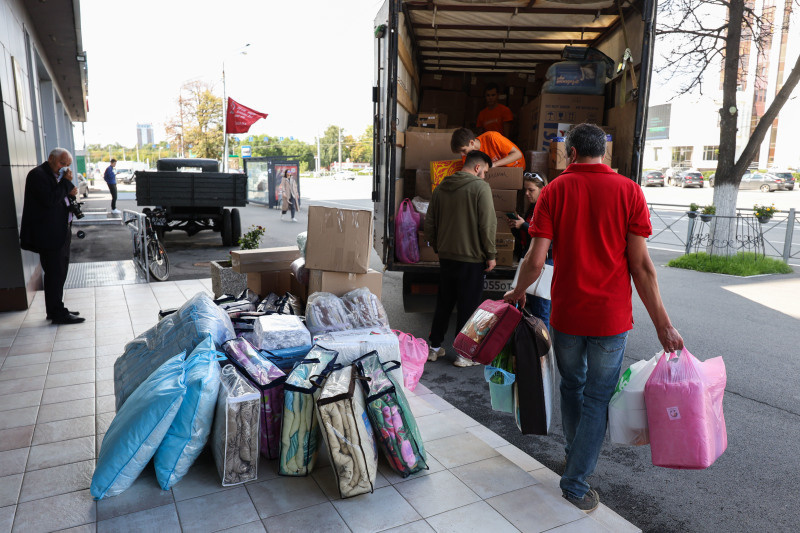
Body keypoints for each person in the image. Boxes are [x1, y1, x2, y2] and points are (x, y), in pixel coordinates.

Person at [503, 123, 683, 513]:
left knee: (571, 387)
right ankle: (576, 480)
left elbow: (536, 261)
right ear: (605, 153)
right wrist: (663, 324)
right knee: (597, 398)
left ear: (570, 153)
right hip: (610, 319)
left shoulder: (554, 191)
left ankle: (574, 453)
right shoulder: (629, 191)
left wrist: (516, 293)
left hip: (566, 314)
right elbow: (642, 268)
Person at [424, 150, 497, 368]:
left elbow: (429, 222)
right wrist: (491, 255)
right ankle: (463, 355)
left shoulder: (441, 187)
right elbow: (487, 225)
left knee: (444, 303)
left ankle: (434, 348)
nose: (484, 176)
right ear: (477, 168)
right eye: (484, 172)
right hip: (472, 258)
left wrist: (439, 247)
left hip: (446, 257)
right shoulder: (480, 188)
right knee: (469, 307)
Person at [19, 148, 86, 325]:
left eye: (68, 165)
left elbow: (62, 196)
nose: (64, 168)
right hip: (49, 234)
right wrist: (65, 183)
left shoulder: (55, 176)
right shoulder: (38, 175)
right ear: (50, 159)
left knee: (60, 272)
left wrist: (69, 189)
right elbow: (50, 200)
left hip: (60, 231)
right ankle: (57, 313)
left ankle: (56, 308)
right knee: (54, 273)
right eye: (62, 163)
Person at [506, 172, 551, 330]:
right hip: (529, 259)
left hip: (544, 263)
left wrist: (524, 225)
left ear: (542, 189)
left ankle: (542, 349)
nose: (526, 194)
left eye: (531, 190)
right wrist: (515, 227)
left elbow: (546, 238)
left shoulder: (548, 207)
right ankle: (533, 345)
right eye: (525, 190)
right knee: (529, 307)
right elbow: (527, 237)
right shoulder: (533, 207)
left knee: (541, 308)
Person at [450, 128, 524, 169]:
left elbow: (518, 154)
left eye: (463, 150)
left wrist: (494, 164)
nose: (462, 154)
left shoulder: (492, 137)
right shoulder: (466, 155)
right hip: (498, 172)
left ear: (472, 143)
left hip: (516, 167)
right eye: (460, 152)